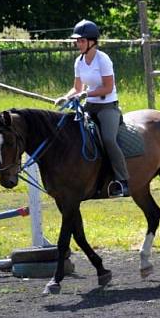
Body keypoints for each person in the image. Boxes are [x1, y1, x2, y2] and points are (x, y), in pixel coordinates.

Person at [54, 19, 130, 198]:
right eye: (77, 41)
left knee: (108, 140)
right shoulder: (79, 61)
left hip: (107, 107)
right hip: (89, 107)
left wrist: (86, 94)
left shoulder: (103, 59)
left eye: (81, 40)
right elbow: (77, 88)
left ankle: (123, 181)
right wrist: (67, 96)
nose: (77, 44)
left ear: (91, 42)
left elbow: (108, 88)